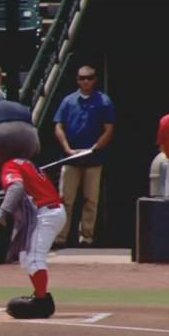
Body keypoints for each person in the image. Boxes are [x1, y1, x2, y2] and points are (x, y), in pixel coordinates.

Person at [0, 101, 65, 319]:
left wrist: (2, 213)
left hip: (46, 213)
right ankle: (40, 295)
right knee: (27, 256)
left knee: (34, 259)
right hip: (49, 212)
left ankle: (41, 301)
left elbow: (16, 188)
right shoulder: (26, 162)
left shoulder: (11, 165)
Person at [53, 65, 115, 247]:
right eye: (82, 78)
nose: (85, 81)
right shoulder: (68, 101)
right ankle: (60, 237)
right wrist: (67, 149)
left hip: (93, 158)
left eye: (89, 78)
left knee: (91, 200)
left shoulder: (104, 101)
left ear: (95, 79)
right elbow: (58, 126)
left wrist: (96, 147)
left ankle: (86, 237)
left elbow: (109, 129)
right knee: (65, 199)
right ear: (77, 80)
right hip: (71, 158)